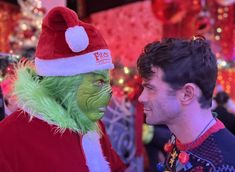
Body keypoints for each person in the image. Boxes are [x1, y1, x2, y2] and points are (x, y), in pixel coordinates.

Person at [0, 7, 125, 172]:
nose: (109, 92)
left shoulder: (92, 124)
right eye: (98, 82)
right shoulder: (9, 136)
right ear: (67, 84)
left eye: (108, 81)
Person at [137, 36, 235, 171]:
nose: (141, 98)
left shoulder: (222, 165)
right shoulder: (181, 137)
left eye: (150, 88)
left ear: (187, 94)